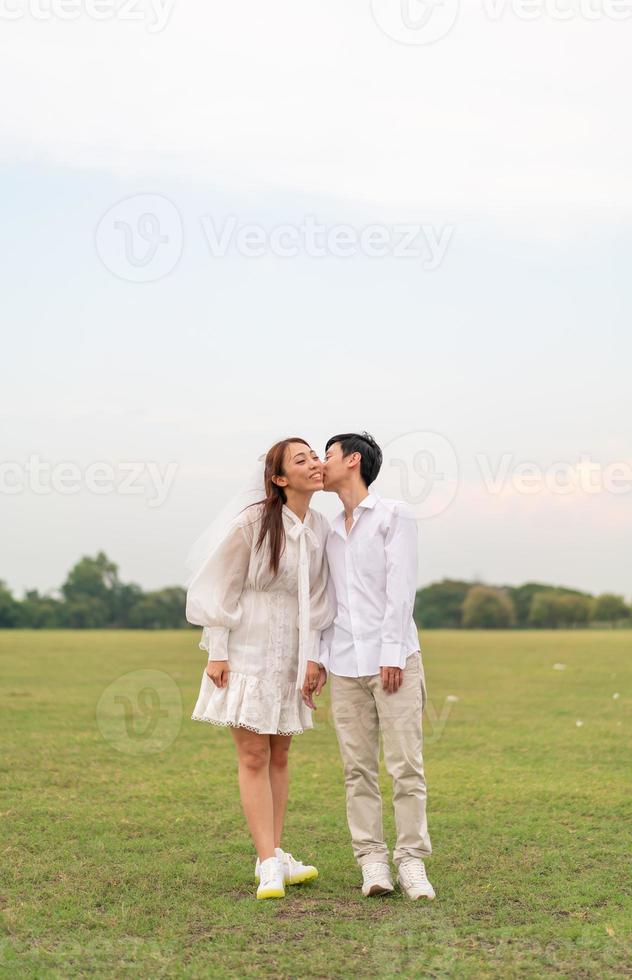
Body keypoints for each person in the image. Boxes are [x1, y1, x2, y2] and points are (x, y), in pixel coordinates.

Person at [186, 438, 333, 900]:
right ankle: (268, 863)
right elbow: (220, 584)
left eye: (315, 456)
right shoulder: (253, 521)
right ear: (279, 478)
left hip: (291, 650)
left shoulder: (321, 527)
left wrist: (314, 656)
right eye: (301, 460)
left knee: (281, 754)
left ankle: (274, 851)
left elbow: (320, 597)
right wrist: (218, 649)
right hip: (247, 645)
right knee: (253, 755)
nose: (314, 464)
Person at [304, 431, 435, 901]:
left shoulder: (394, 516)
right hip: (343, 666)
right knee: (356, 769)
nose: (320, 463)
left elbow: (401, 589)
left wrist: (392, 654)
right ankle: (372, 861)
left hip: (393, 663)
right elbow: (326, 600)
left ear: (352, 460)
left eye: (328, 455)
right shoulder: (328, 529)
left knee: (405, 765)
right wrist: (318, 659)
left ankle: (412, 861)